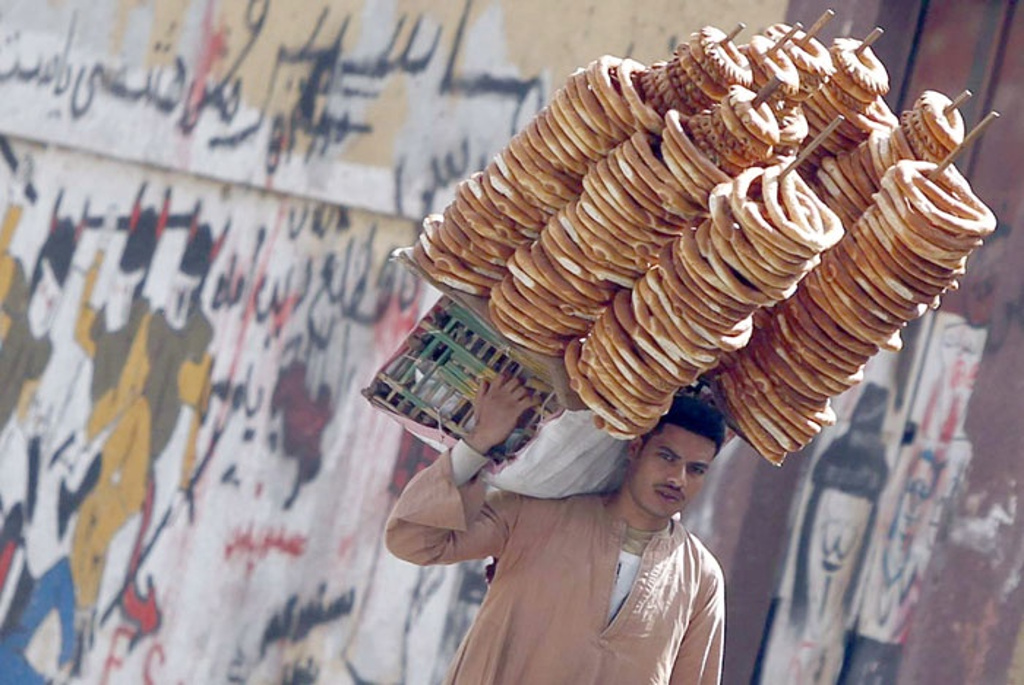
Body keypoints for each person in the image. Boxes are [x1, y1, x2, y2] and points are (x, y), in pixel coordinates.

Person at [385, 373, 728, 684]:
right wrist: (480, 441)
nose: (677, 479)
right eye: (667, 457)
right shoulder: (537, 517)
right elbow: (415, 540)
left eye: (696, 470)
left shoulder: (700, 579)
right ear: (636, 449)